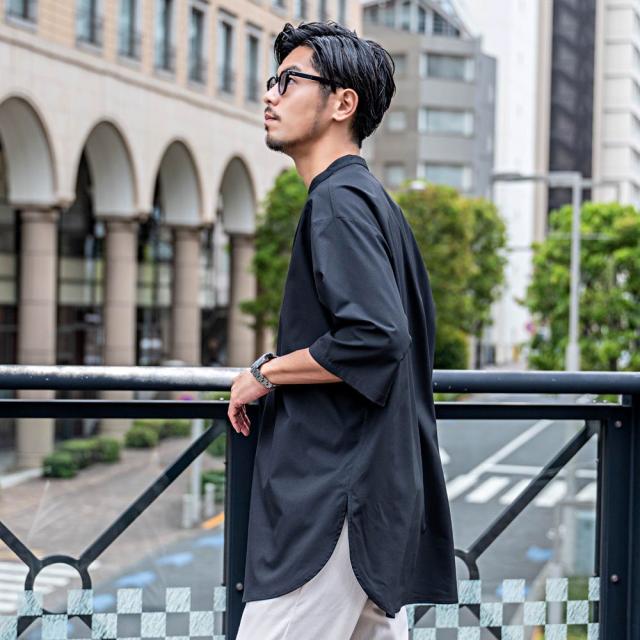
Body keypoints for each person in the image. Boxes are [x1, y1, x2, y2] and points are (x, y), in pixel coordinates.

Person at [228, 20, 458, 640]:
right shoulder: (370, 199)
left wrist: (263, 373)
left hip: (334, 504)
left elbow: (376, 336)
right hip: (372, 495)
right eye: (273, 81)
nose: (269, 94)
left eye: (289, 81)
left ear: (342, 103)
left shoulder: (338, 201)